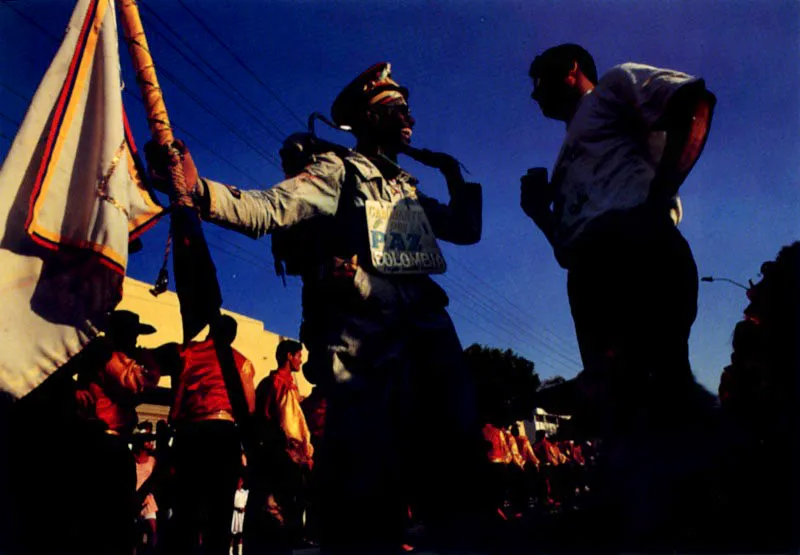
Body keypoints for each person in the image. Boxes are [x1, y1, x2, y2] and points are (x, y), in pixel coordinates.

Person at [148, 62, 486, 554]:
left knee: (452, 470)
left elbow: (465, 229)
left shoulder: (407, 188)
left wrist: (456, 176)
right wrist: (199, 191)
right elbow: (269, 207)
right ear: (366, 121)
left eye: (407, 107)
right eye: (393, 109)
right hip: (366, 351)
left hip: (430, 341)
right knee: (366, 491)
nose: (407, 116)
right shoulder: (338, 172)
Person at [521, 44, 717, 546]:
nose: (534, 93)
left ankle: (707, 503)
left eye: (540, 79)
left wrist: (655, 204)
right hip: (593, 266)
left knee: (656, 381)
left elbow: (694, 102)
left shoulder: (612, 84)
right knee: (618, 396)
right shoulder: (569, 151)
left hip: (634, 248)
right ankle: (643, 518)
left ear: (570, 70)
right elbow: (567, 250)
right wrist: (539, 213)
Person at [167, 314, 256, 555]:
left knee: (186, 508)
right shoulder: (242, 362)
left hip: (192, 433)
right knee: (220, 509)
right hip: (224, 434)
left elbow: (177, 397)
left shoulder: (190, 353)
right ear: (232, 337)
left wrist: (174, 422)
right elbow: (248, 408)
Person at [245, 340, 313, 555]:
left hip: (267, 456)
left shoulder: (270, 383)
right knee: (277, 513)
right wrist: (303, 456)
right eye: (298, 355)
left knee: (266, 510)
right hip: (280, 459)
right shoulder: (281, 384)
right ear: (289, 356)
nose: (301, 360)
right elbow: (290, 427)